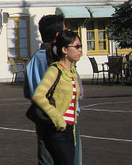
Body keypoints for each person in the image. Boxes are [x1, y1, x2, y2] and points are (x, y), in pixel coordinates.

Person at [32, 30, 83, 165]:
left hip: (70, 129)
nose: (80, 50)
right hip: (58, 128)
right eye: (76, 46)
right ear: (65, 50)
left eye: (80, 46)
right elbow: (38, 95)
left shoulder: (72, 72)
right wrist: (58, 118)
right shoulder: (55, 70)